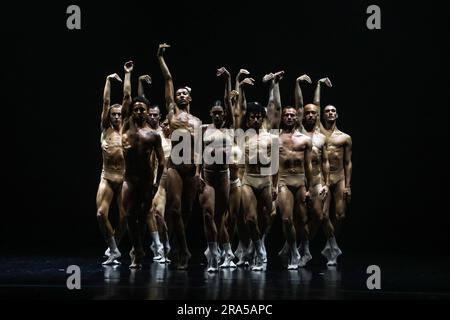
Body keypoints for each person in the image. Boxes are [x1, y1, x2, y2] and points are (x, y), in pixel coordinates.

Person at [157, 43, 206, 270]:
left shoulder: (196, 121)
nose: (180, 95)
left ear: (191, 98)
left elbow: (198, 151)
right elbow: (168, 80)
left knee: (185, 212)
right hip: (175, 166)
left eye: (184, 93)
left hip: (190, 170)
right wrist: (160, 58)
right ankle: (184, 249)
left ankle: (175, 245)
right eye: (178, 93)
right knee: (175, 209)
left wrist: (197, 174)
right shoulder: (172, 113)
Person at [264, 71, 314, 269]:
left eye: (293, 115)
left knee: (302, 219)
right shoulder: (277, 137)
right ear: (283, 118)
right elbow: (274, 108)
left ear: (297, 118)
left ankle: (305, 249)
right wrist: (274, 185)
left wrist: (310, 188)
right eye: (287, 115)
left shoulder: (305, 139)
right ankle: (293, 251)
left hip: (301, 182)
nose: (290, 117)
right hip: (284, 181)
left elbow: (309, 166)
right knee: (285, 218)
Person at [121, 61, 165, 268]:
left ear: (148, 112)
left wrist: (156, 183)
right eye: (136, 109)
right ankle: (137, 249)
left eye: (142, 109)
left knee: (142, 215)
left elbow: (162, 162)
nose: (139, 112)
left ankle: (139, 248)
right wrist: (128, 74)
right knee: (130, 215)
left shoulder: (153, 135)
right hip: (129, 179)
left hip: (147, 181)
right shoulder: (126, 126)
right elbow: (127, 97)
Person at [239, 76, 279, 271]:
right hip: (248, 179)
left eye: (258, 116)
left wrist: (276, 185)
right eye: (251, 116)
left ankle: (258, 244)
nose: (255, 119)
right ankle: (259, 250)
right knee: (250, 218)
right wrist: (240, 87)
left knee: (267, 216)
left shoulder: (270, 136)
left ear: (262, 118)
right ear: (248, 118)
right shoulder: (243, 135)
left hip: (265, 181)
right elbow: (239, 108)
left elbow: (273, 107)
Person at [316, 80, 352, 266]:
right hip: (323, 178)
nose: (330, 113)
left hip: (339, 177)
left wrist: (348, 185)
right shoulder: (319, 132)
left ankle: (331, 244)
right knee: (322, 215)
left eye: (333, 111)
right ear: (323, 115)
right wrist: (319, 86)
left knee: (340, 215)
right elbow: (315, 105)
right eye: (327, 111)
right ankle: (332, 245)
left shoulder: (345, 137)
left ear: (337, 114)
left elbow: (348, 162)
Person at [137, 74, 172, 263]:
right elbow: (139, 103)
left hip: (164, 179)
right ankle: (159, 246)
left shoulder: (166, 131)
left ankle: (164, 244)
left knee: (159, 213)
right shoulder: (143, 130)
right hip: (147, 176)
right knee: (151, 212)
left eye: (154, 115)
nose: (151, 117)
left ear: (160, 117)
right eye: (149, 114)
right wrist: (141, 84)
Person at [96, 71, 126, 265]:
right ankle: (114, 249)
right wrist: (108, 80)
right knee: (100, 214)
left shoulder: (127, 130)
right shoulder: (105, 128)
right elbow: (106, 103)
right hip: (107, 176)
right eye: (113, 114)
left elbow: (128, 99)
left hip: (124, 178)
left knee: (125, 218)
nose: (115, 117)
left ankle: (114, 247)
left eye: (119, 114)